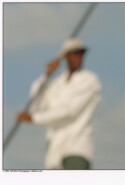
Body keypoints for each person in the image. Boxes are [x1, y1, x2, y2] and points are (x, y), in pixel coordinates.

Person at [17, 38, 101, 170]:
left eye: (81, 53)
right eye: (75, 53)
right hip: (54, 153)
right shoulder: (55, 84)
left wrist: (33, 119)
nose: (79, 57)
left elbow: (70, 111)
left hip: (76, 149)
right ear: (65, 56)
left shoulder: (90, 80)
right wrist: (47, 75)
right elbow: (35, 106)